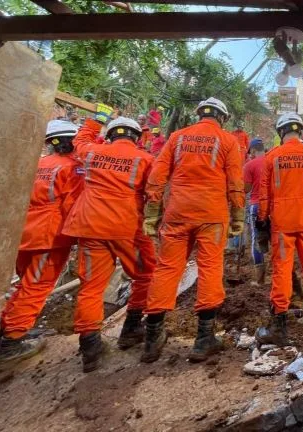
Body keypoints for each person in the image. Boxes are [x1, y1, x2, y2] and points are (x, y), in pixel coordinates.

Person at [141, 97, 245, 364]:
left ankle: (152, 339)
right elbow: (235, 182)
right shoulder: (228, 141)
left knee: (167, 269)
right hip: (212, 215)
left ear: (199, 114)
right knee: (210, 268)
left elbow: (157, 176)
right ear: (222, 117)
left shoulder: (177, 137)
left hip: (177, 212)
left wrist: (152, 213)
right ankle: (204, 339)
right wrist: (238, 216)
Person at [62, 113, 157, 372]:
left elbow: (79, 140)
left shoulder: (92, 152)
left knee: (91, 287)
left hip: (90, 226)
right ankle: (132, 327)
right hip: (127, 228)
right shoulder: (145, 159)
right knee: (145, 275)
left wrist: (96, 120)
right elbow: (154, 192)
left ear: (111, 134)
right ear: (136, 137)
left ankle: (90, 347)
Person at [0, 120, 84, 365]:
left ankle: (9, 329)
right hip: (49, 236)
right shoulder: (73, 169)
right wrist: (77, 234)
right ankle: (13, 340)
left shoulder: (37, 164)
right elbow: (72, 205)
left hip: (23, 231)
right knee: (36, 286)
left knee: (23, 284)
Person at [256, 113, 303, 346]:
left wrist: (262, 220)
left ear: (281, 132)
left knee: (282, 270)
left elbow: (264, 194)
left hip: (283, 223)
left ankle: (279, 326)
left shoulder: (272, 156)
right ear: (299, 131)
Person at [244, 138, 267, 286]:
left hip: (256, 205)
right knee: (279, 241)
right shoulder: (273, 160)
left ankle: (260, 280)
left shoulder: (249, 165)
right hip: (275, 206)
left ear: (252, 150)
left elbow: (245, 189)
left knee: (256, 240)